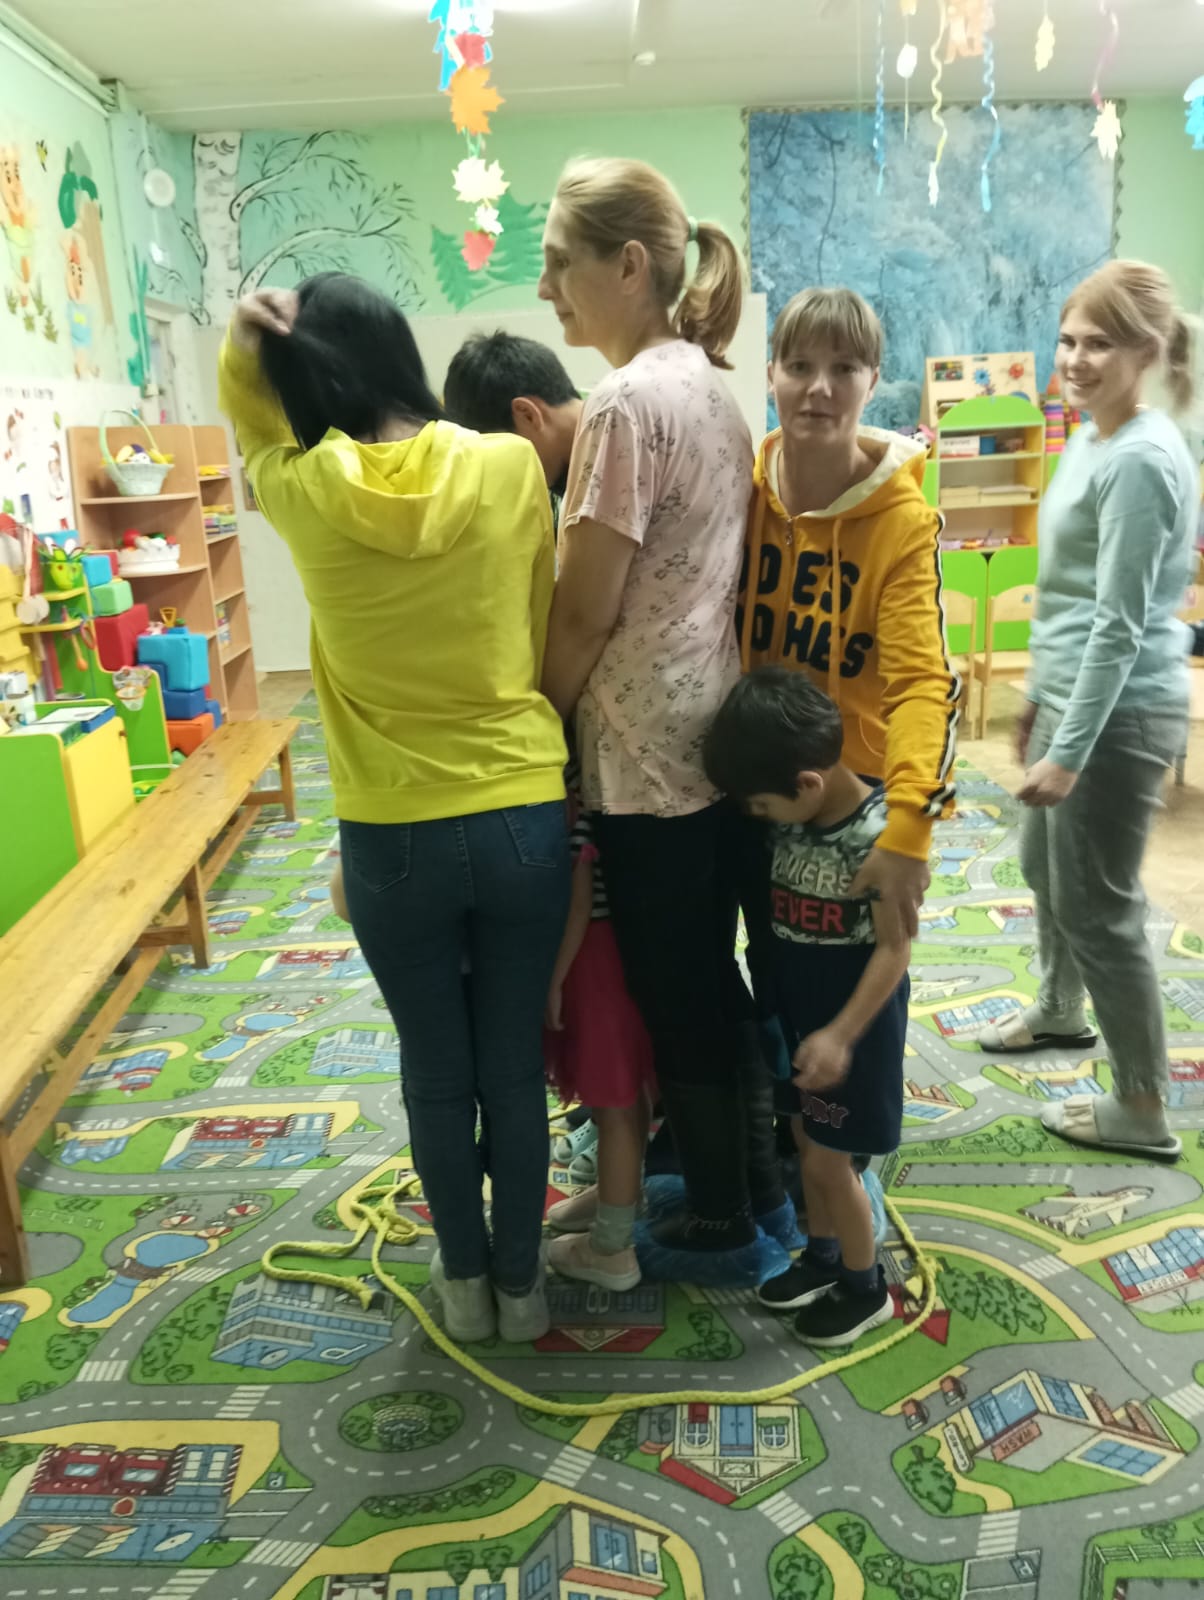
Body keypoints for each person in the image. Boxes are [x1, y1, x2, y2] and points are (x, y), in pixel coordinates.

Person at [218, 274, 570, 1344]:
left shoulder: (300, 488)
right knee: (513, 1065)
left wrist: (243, 347)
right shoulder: (510, 466)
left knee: (435, 1069)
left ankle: (462, 1286)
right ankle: (523, 1288)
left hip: (389, 831)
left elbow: (251, 424)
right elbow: (538, 618)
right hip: (520, 808)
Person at [538, 156, 792, 1271]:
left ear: (629, 265)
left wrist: (536, 719)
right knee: (707, 975)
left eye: (561, 262)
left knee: (676, 986)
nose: (547, 287)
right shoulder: (706, 386)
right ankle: (748, 1177)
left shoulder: (625, 403)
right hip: (706, 732)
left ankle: (726, 1208)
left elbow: (586, 607)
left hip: (645, 755)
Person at [976, 261, 1198, 1162]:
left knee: (1101, 909)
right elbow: (1067, 596)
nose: (1074, 359)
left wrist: (1070, 750)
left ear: (1147, 351)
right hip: (1072, 698)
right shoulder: (1090, 436)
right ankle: (1061, 1008)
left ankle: (1142, 1104)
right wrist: (1039, 696)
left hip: (1119, 714)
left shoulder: (1142, 458)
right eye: (1067, 339)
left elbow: (1119, 624)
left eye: (1098, 343)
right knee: (1045, 869)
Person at [328, 330, 583, 925]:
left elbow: (571, 620)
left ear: (527, 416)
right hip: (528, 755)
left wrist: (537, 717)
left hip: (545, 748)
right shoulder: (562, 465)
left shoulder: (594, 463)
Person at [739, 287, 959, 947]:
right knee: (767, 976)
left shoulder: (903, 524)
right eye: (799, 366)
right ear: (771, 374)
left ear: (873, 381)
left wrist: (910, 830)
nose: (819, 388)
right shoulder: (741, 492)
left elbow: (923, 684)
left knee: (854, 985)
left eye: (844, 368)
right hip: (751, 783)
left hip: (850, 797)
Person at [704, 668, 909, 1346]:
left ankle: (865, 1286)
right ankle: (823, 1259)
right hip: (798, 1020)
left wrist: (843, 1035)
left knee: (827, 1164)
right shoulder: (798, 817)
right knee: (803, 1139)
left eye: (762, 806)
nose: (758, 818)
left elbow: (894, 950)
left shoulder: (879, 837)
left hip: (851, 1032)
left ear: (807, 784)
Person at [543, 761, 656, 1290]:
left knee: (614, 1103)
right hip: (623, 946)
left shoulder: (566, 780)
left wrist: (555, 978)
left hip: (591, 957)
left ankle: (612, 1249)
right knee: (629, 1093)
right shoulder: (594, 772)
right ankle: (622, 1196)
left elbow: (579, 893)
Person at [443, 330, 582, 496]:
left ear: (527, 415)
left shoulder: (608, 461)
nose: (506, 475)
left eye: (499, 458)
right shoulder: (590, 462)